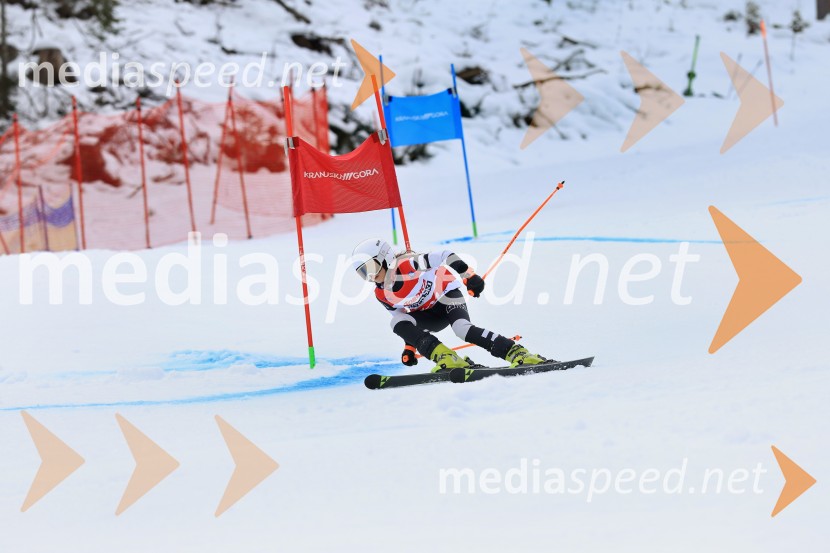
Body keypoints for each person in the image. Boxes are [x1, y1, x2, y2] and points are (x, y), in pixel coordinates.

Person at [352, 238, 549, 372]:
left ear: (385, 258)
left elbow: (444, 255)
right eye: (363, 273)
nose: (371, 276)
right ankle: (446, 357)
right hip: (429, 315)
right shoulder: (381, 294)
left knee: (462, 329)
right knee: (396, 322)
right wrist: (410, 348)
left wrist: (468, 276)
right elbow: (405, 323)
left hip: (447, 297)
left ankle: (516, 352)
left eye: (372, 268)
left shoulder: (408, 264)